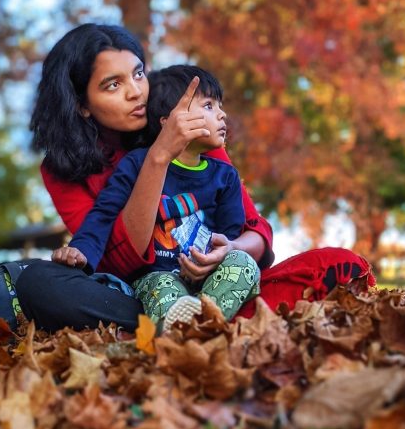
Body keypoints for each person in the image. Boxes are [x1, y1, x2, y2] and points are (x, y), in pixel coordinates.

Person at [16, 23, 375, 333]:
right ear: (81, 103)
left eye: (138, 73)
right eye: (112, 85)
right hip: (141, 292)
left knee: (343, 264)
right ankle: (187, 323)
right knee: (38, 283)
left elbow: (256, 231)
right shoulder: (63, 169)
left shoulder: (191, 129)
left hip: (218, 282)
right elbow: (116, 265)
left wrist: (229, 250)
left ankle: (194, 324)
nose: (136, 92)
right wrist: (159, 156)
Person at [51, 65, 261, 330]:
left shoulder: (224, 176)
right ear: (168, 122)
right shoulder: (137, 165)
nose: (222, 114)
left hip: (208, 278)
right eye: (208, 106)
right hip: (157, 277)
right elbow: (103, 215)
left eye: (219, 106)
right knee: (160, 286)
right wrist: (78, 252)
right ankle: (181, 329)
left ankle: (203, 323)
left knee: (243, 263)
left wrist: (218, 256)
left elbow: (228, 233)